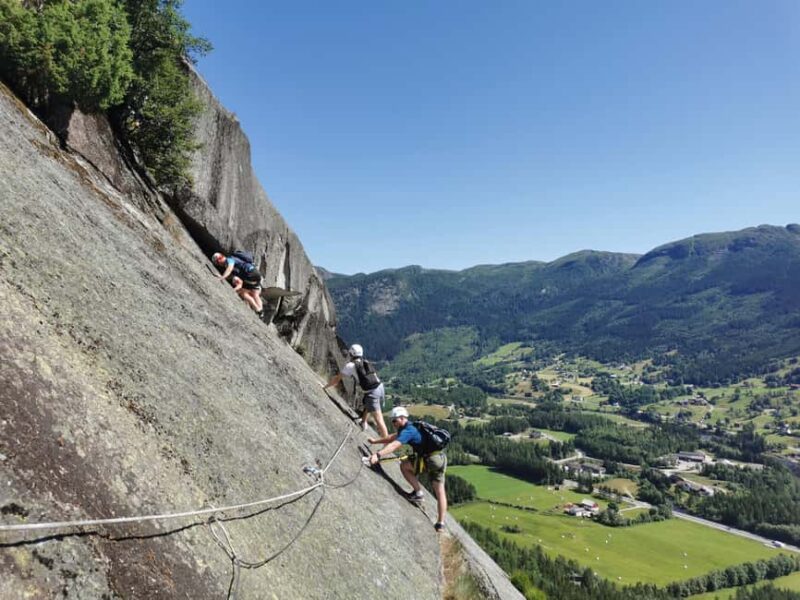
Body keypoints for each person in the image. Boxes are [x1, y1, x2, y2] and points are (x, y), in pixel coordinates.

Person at [368, 406, 448, 532]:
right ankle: (441, 524)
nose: (393, 423)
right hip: (441, 459)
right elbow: (393, 437)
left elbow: (395, 444)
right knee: (440, 492)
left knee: (404, 466)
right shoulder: (412, 426)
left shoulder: (408, 431)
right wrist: (375, 441)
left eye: (395, 420)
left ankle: (418, 493)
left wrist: (378, 455)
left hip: (430, 460)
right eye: (392, 420)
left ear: (402, 418)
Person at [323, 344, 388, 437]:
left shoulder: (350, 365)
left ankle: (386, 443)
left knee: (379, 420)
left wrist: (324, 387)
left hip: (372, 392)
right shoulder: (365, 362)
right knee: (367, 401)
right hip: (380, 387)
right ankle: (363, 421)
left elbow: (337, 379)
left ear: (351, 354)